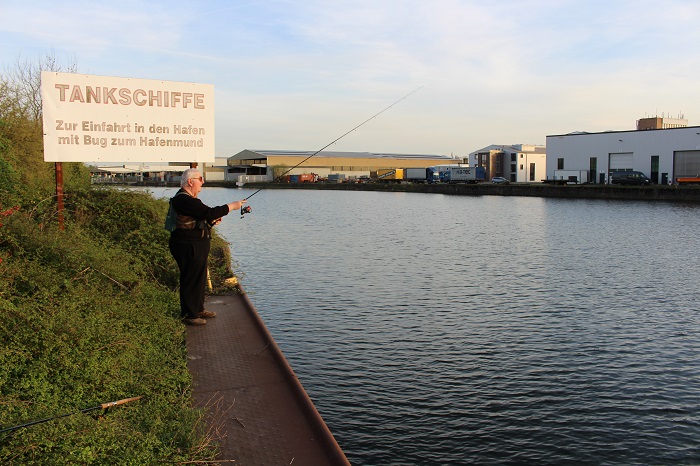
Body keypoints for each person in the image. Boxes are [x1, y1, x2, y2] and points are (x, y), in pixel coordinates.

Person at [169, 168, 247, 325]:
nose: (202, 182)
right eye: (200, 179)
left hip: (196, 244)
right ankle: (189, 315)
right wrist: (232, 206)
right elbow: (209, 212)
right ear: (191, 182)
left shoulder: (189, 200)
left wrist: (210, 222)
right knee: (190, 278)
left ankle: (198, 309)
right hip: (188, 245)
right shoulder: (184, 199)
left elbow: (200, 218)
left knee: (199, 277)